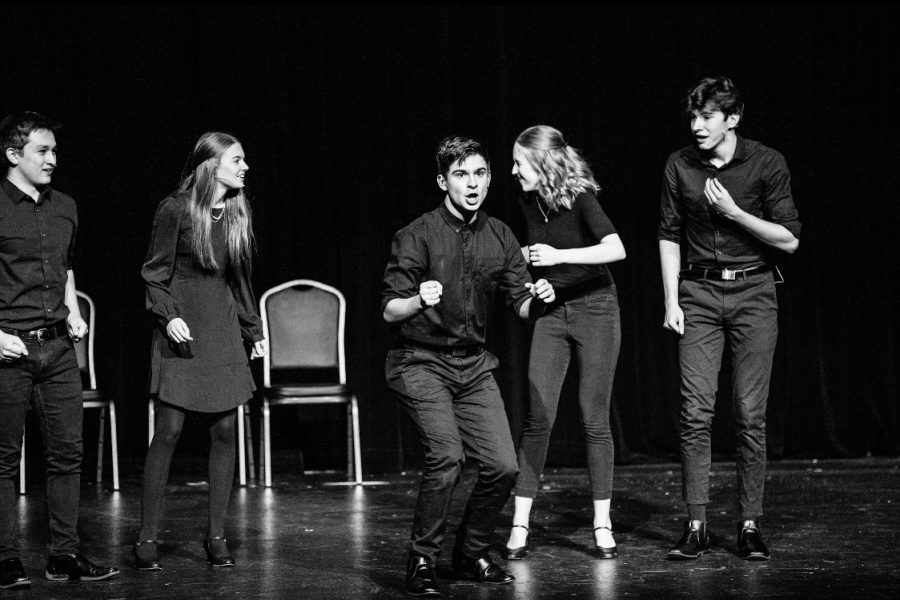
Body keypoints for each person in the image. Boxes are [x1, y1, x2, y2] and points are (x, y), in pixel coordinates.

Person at [383, 135, 555, 597]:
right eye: (461, 175)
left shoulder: (500, 235)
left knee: (502, 465)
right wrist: (418, 298)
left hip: (473, 366)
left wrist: (537, 300)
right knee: (447, 458)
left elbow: (520, 305)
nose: (472, 184)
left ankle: (472, 550)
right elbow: (388, 310)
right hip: (419, 361)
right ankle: (422, 558)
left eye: (480, 173)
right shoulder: (417, 234)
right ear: (443, 181)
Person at [658, 76, 800, 561]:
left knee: (749, 414)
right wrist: (671, 299)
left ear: (732, 119)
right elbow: (668, 233)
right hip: (697, 295)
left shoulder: (766, 162)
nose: (696, 126)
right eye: (692, 117)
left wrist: (736, 213)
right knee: (695, 411)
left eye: (707, 117)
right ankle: (695, 524)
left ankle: (748, 524)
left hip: (754, 293)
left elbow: (789, 239)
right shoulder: (680, 164)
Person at [136, 131, 267, 571]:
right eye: (237, 159)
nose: (245, 166)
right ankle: (147, 535)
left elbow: (240, 281)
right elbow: (154, 273)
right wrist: (167, 315)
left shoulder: (235, 214)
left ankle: (215, 535)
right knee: (169, 431)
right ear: (210, 166)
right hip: (183, 329)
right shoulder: (175, 210)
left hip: (223, 327)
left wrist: (253, 329)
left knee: (225, 432)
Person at [0, 111, 119, 588]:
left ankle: (63, 555)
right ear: (13, 155)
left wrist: (72, 308)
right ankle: (6, 557)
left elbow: (65, 265)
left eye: (54, 151)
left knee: (67, 455)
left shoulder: (64, 205)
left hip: (57, 349)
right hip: (8, 350)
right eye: (42, 152)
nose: (53, 160)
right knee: (4, 460)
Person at [504, 125, 626, 561]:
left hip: (597, 309)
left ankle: (601, 523)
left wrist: (558, 261)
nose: (513, 171)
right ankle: (520, 523)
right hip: (555, 314)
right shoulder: (526, 201)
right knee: (538, 416)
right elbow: (540, 257)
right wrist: (539, 282)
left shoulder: (581, 198)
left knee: (594, 418)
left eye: (519, 162)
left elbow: (615, 250)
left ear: (541, 162)